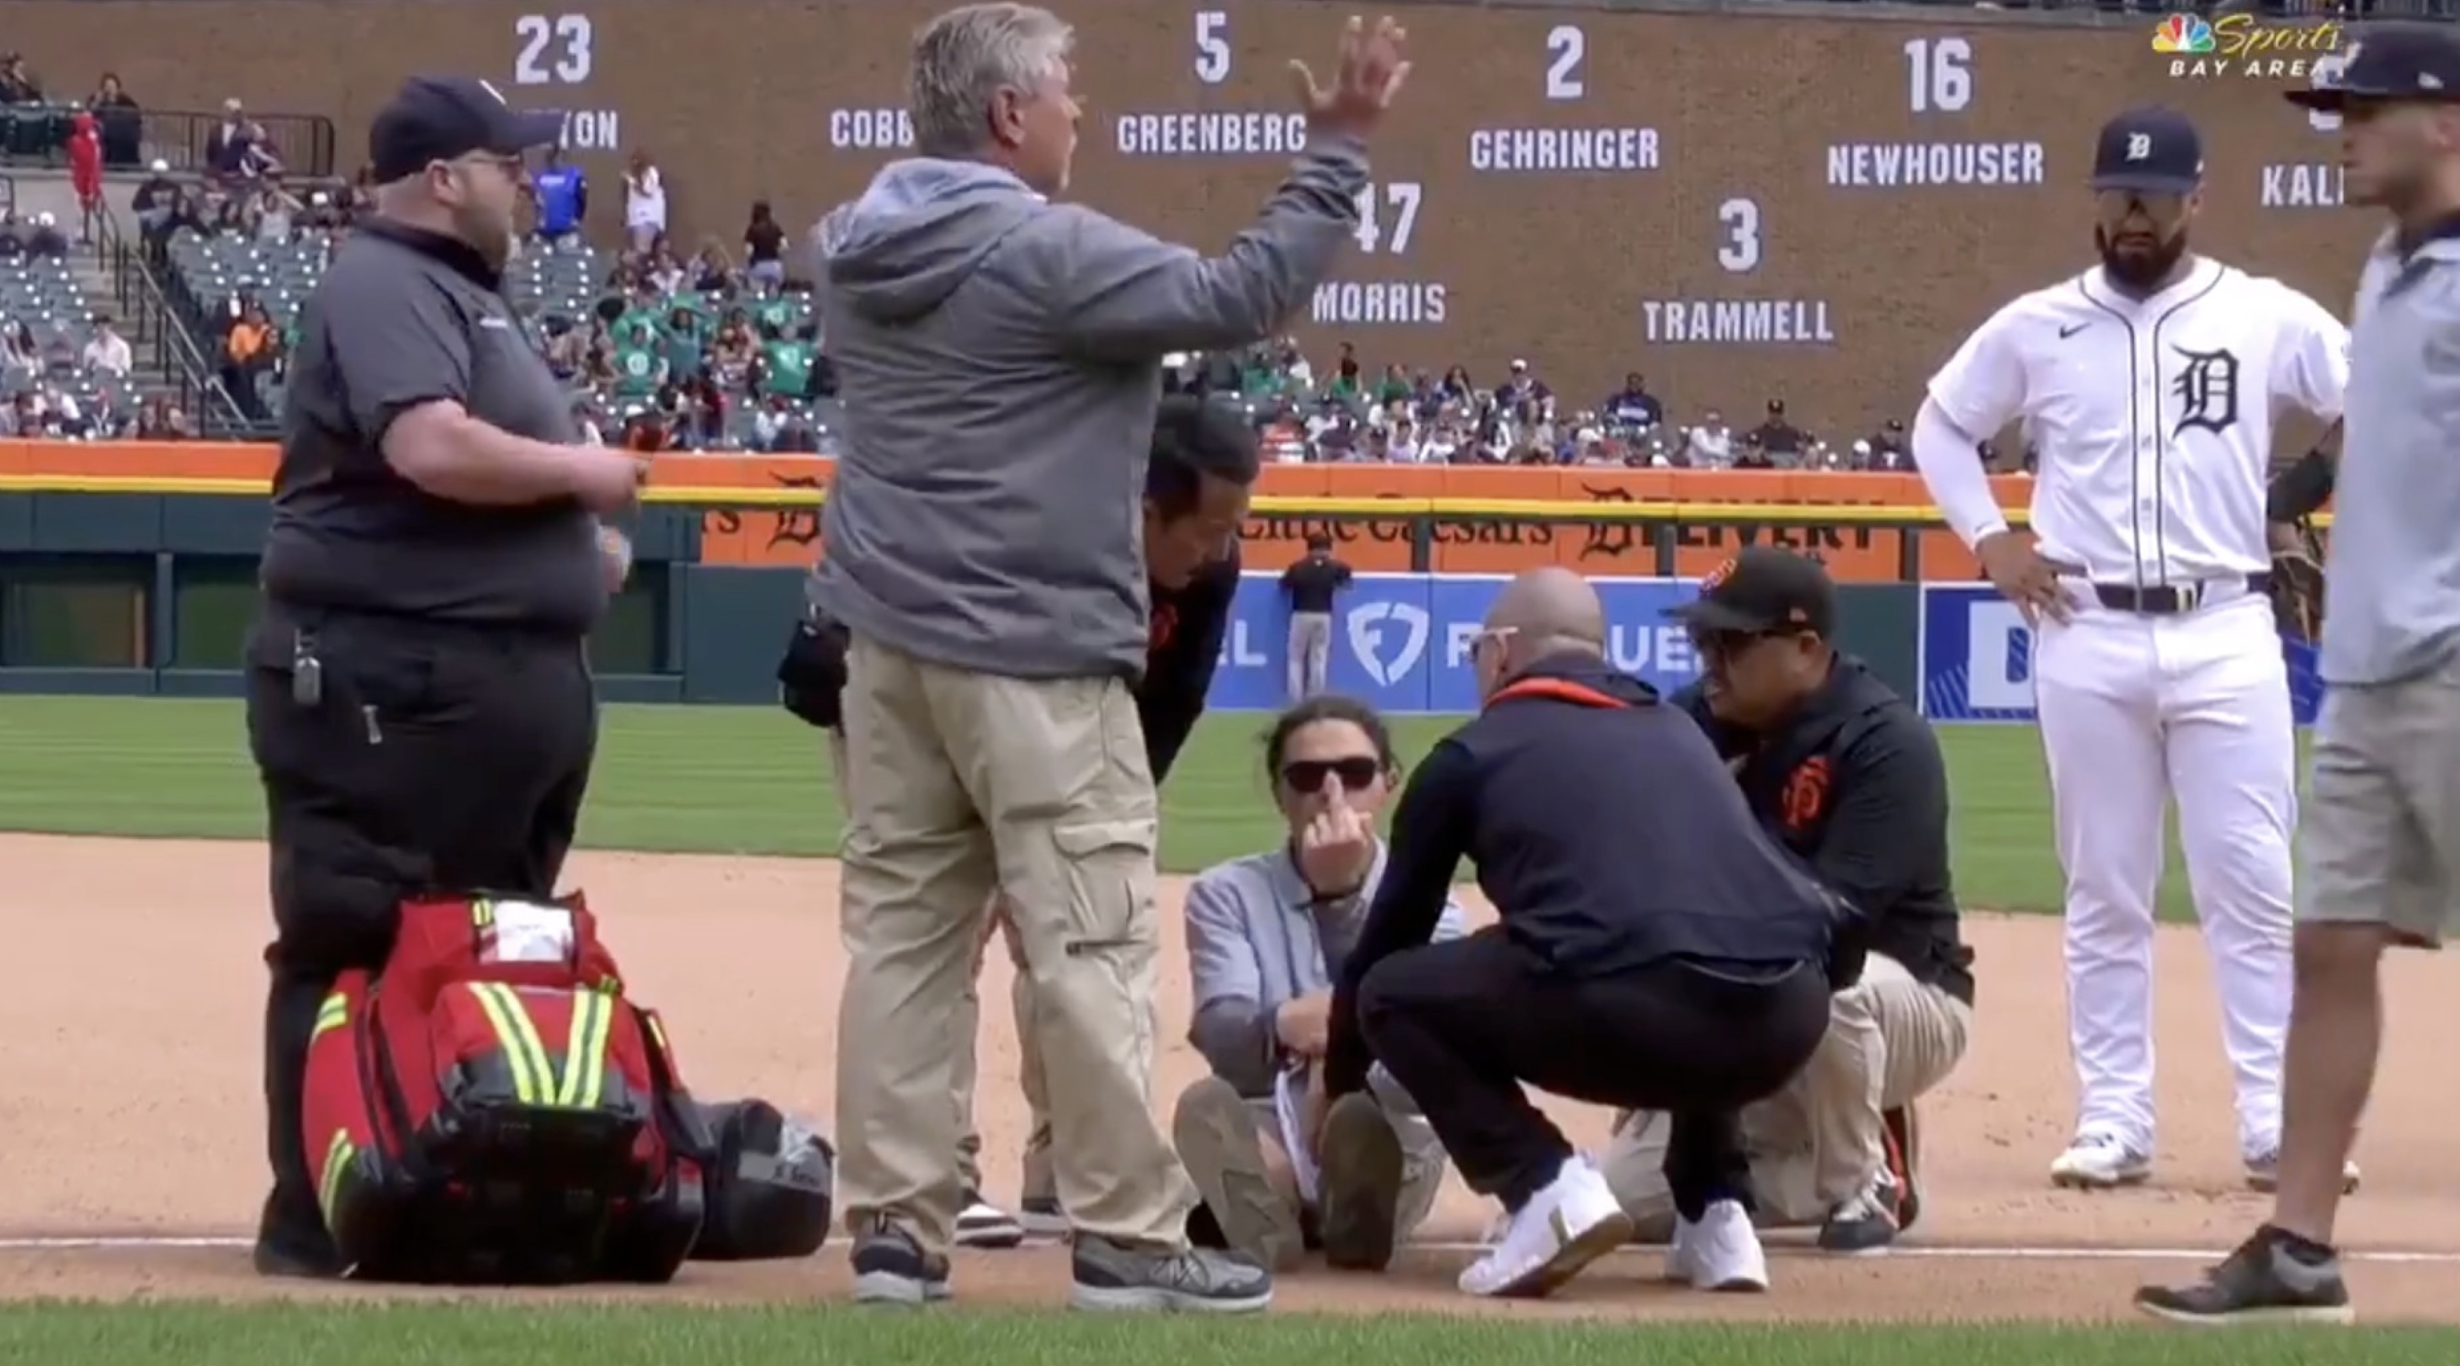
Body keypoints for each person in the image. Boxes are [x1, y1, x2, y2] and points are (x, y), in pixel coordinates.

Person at [812, 0, 1404, 1313]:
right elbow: (1241, 296)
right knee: (1088, 942)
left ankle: (900, 1232)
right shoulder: (1044, 249)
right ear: (1009, 113)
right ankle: (1127, 1231)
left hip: (889, 648)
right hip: (1030, 648)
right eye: (1068, 91)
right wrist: (1342, 149)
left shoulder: (849, 245)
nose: (1082, 113)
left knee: (907, 940)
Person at [1909, 106, 2357, 1194]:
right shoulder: (2038, 324)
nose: (2134, 214)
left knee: (2250, 882)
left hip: (2224, 625)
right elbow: (1939, 427)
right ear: (2096, 200)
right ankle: (2114, 1117)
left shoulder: (2260, 314)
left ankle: (2273, 1123)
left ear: (2197, 197)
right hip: (2087, 626)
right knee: (2104, 887)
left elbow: (2375, 402)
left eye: (2154, 195)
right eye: (2117, 194)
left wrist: (2292, 496)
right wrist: (1994, 538)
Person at [242, 74, 644, 1279]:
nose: (524, 179)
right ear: (441, 179)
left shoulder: (463, 292)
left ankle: (435, 1174)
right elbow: (426, 445)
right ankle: (319, 1212)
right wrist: (583, 478)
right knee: (357, 935)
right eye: (504, 161)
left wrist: (577, 556)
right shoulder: (381, 278)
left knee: (475, 945)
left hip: (478, 682)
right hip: (388, 684)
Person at [787, 391, 1263, 1296]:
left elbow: (1174, 699)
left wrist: (1103, 824)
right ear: (1139, 503)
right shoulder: (1046, 518)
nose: (1217, 551)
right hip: (980, 697)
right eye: (1204, 527)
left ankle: (962, 1204)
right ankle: (1013, 1199)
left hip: (967, 698)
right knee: (1036, 942)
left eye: (1234, 528)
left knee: (965, 941)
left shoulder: (1203, 563)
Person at [2138, 27, 2460, 1326]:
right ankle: (2301, 1245)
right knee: (2328, 942)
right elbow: (2374, 438)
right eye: (2339, 108)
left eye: (2366, 109)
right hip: (2372, 671)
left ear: (2448, 122)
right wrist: (2288, 504)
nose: (2343, 127)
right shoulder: (2388, 268)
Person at [1315, 567, 1851, 1300]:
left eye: (1477, 650)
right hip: (1788, 1016)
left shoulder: (1470, 754)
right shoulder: (1681, 732)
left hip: (1622, 1013)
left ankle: (1544, 1186)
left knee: (1392, 994)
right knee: (1690, 943)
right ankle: (1717, 1217)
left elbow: (1389, 944)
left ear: (1501, 651)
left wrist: (1341, 1082)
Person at [1601, 549, 1975, 1256]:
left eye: (1731, 641)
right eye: (1701, 640)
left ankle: (1862, 1179)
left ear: (1805, 649)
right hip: (1756, 1001)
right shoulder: (1692, 728)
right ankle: (1836, 1159)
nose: (1709, 658)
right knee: (1632, 1201)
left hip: (1903, 997)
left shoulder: (1884, 741)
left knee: (1822, 985)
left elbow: (1839, 920)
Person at [1176, 695, 1464, 1274]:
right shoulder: (1223, 894)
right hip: (1270, 1118)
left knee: (1364, 1120)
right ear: (1279, 792)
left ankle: (1346, 1211)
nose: (1332, 794)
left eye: (1355, 774)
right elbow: (1226, 1042)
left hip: (1385, 1131)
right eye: (1307, 777)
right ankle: (1276, 1205)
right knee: (1208, 1107)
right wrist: (1326, 1023)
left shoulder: (1439, 908)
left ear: (1387, 784)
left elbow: (1426, 1069)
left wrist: (1306, 1033)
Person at [1280, 533, 1352, 700]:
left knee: (1295, 658)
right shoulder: (1335, 567)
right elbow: (1346, 576)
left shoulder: (1298, 567)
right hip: (1323, 615)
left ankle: (1295, 699)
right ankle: (1315, 697)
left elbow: (1284, 584)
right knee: (1319, 657)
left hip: (1301, 614)